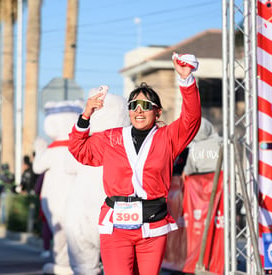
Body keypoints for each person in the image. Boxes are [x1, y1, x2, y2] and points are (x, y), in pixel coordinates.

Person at [68, 52, 201, 275]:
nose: (138, 110)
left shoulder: (168, 138)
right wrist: (86, 115)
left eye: (145, 105)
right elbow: (79, 150)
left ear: (157, 111)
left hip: (153, 225)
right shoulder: (111, 137)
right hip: (116, 226)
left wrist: (186, 80)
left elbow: (191, 120)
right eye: (133, 104)